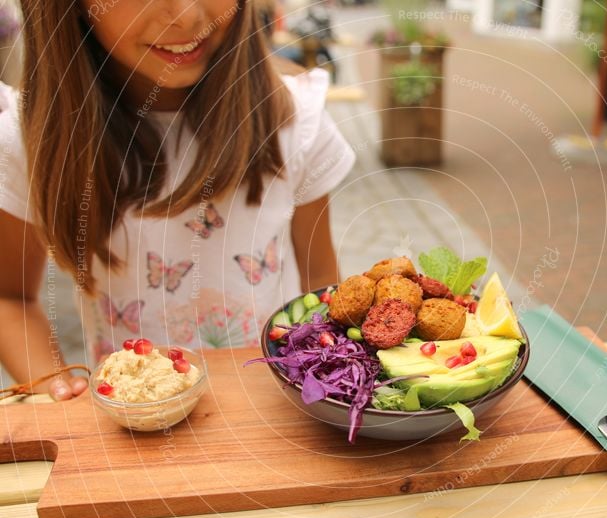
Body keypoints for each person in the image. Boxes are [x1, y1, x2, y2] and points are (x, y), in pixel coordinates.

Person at [0, 1, 355, 401]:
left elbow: (322, 292)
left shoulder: (296, 122)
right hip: (137, 442)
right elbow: (9, 297)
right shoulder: (30, 139)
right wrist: (54, 386)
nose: (187, 16)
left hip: (277, 425)